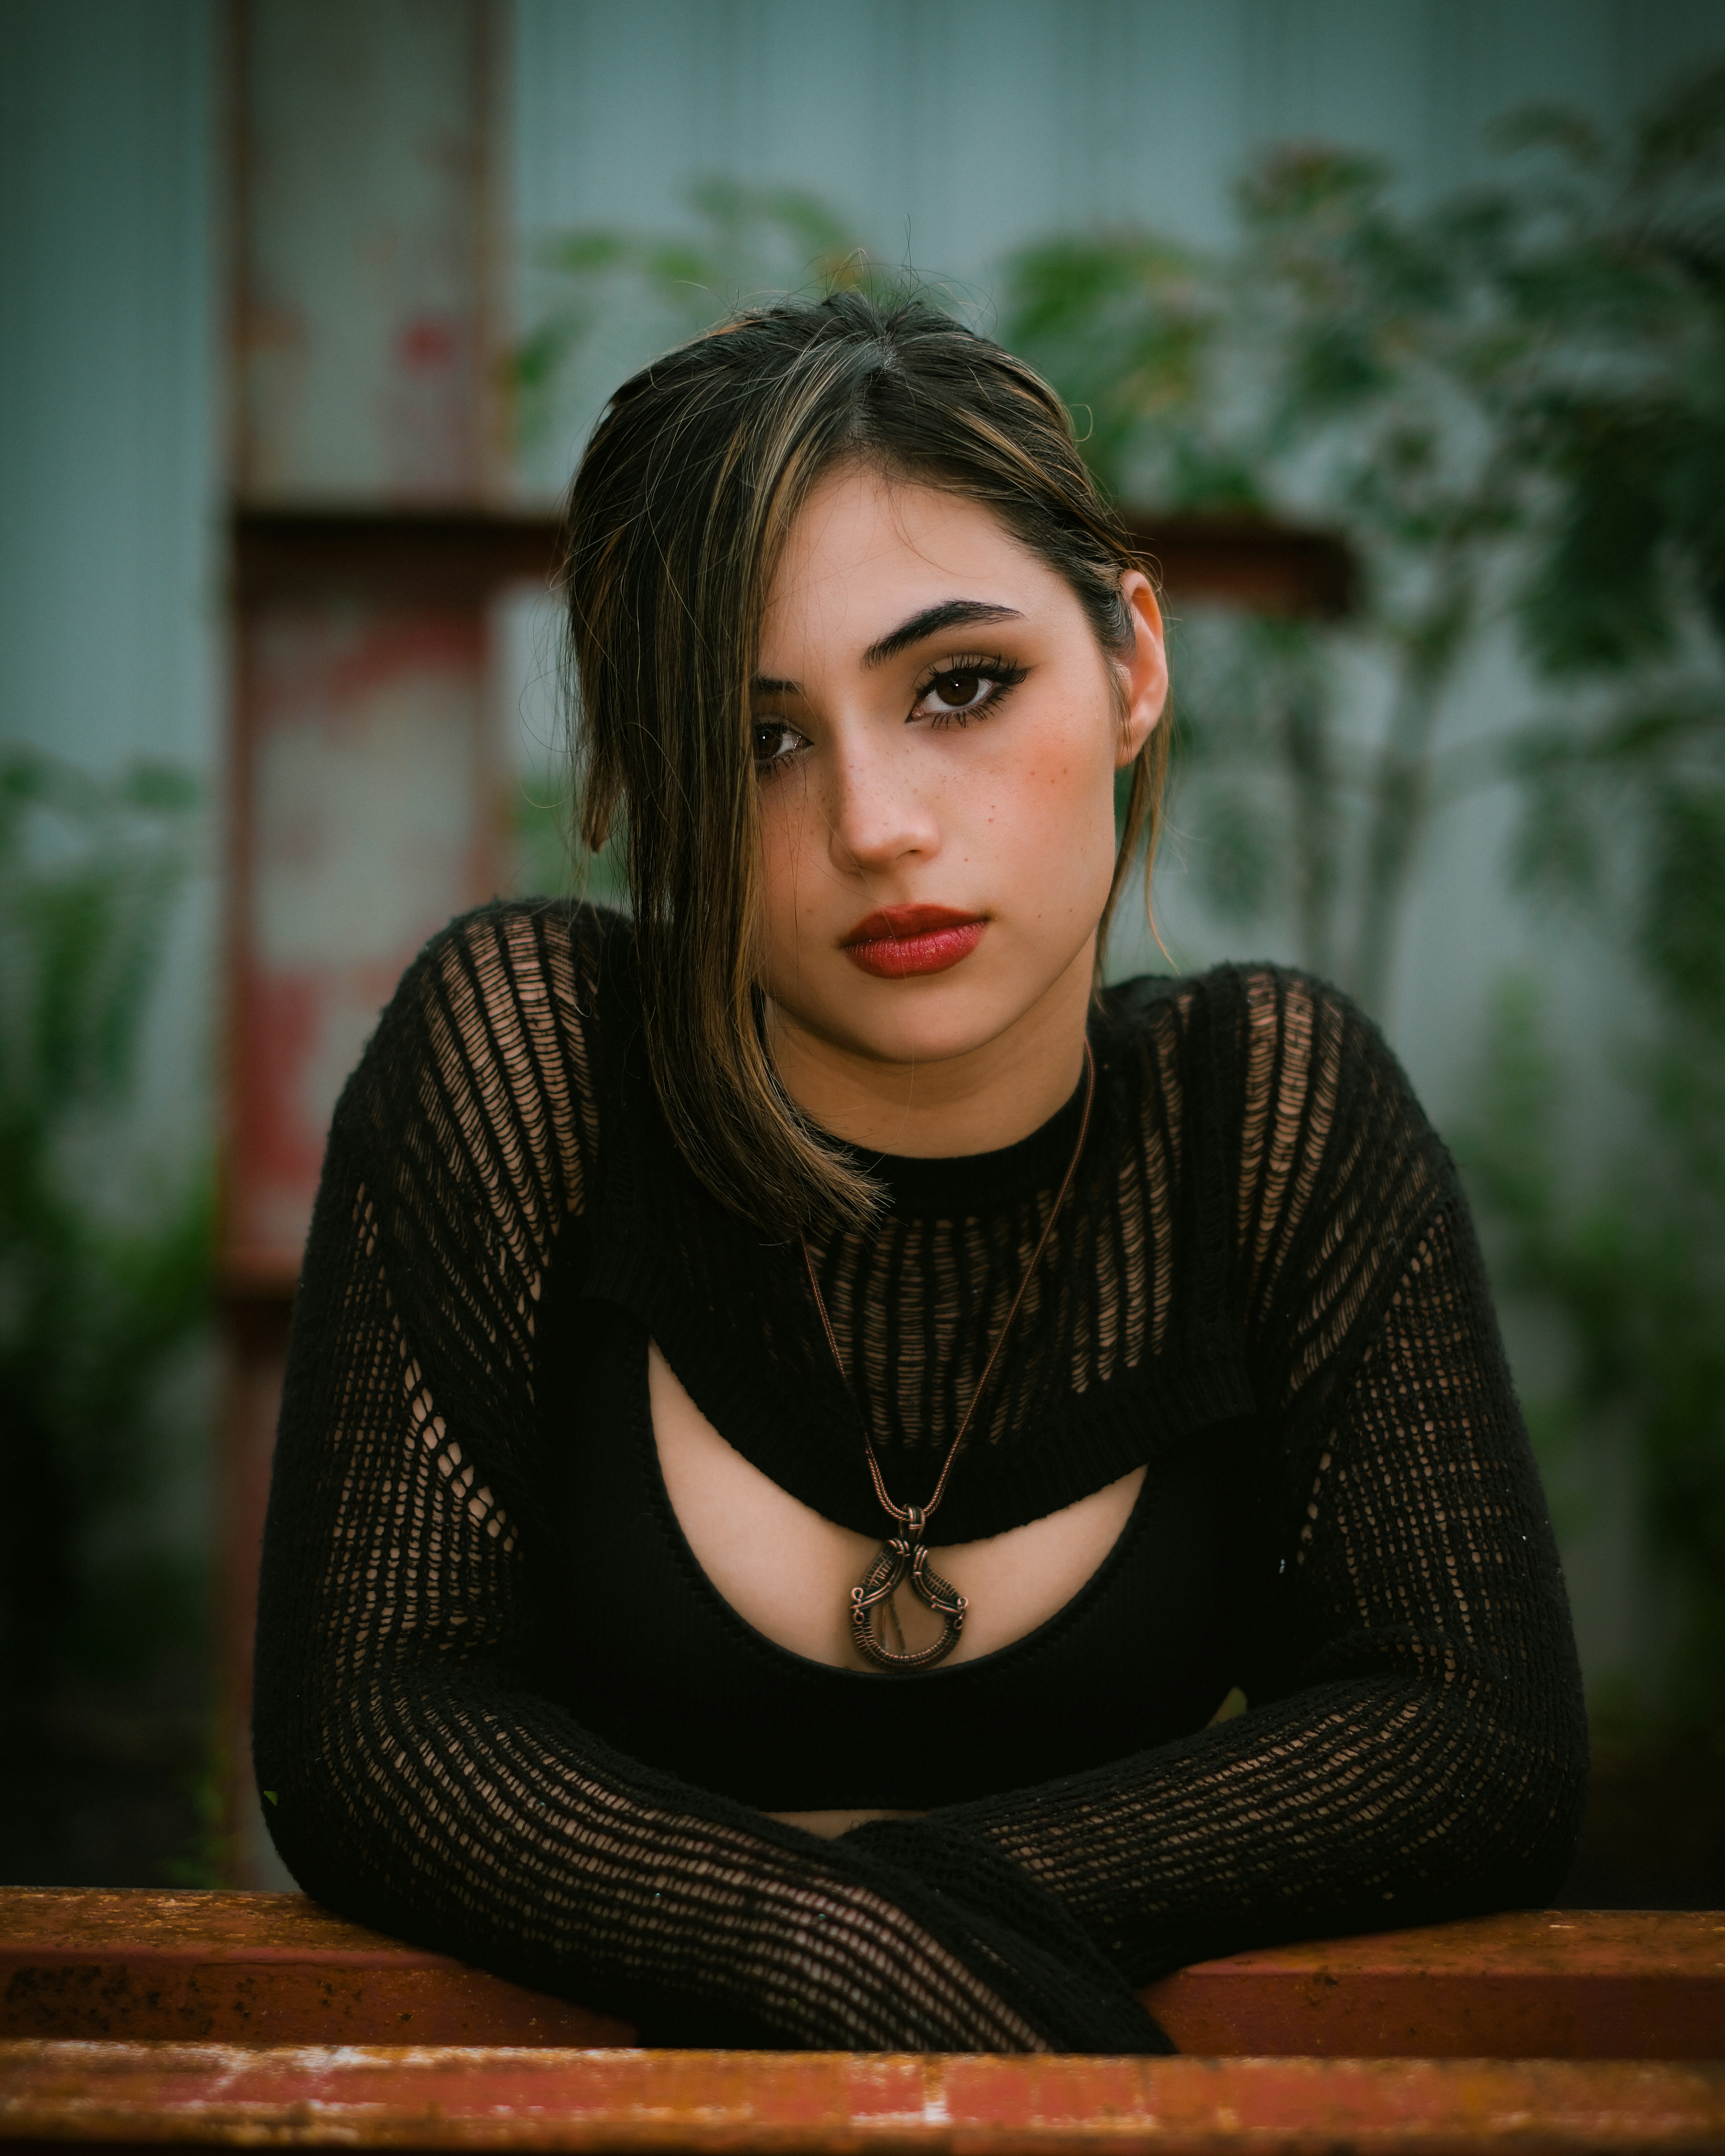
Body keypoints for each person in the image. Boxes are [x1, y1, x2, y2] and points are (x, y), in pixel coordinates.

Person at [252, 292, 1588, 2054]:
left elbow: (1469, 1727)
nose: (877, 821)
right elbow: (376, 1726)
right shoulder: (532, 1062)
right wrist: (841, 1960)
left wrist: (913, 1920)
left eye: (960, 685)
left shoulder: (1262, 1112)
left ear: (1133, 663)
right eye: (762, 738)